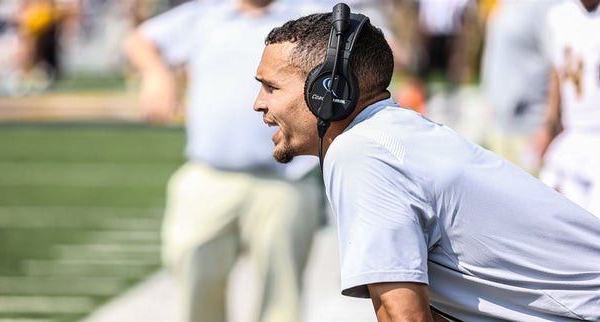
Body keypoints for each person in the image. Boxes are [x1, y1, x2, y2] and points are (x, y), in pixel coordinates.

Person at [252, 5, 600, 321]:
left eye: (271, 87)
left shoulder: (362, 152)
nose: (258, 103)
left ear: (328, 90)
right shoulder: (391, 133)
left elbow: (405, 316)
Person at [122, 1, 324, 321]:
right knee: (193, 281)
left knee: (282, 303)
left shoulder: (310, 13)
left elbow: (376, 52)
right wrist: (156, 74)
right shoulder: (205, 13)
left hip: (287, 178)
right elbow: (139, 41)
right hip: (210, 174)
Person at [533, 0, 600, 217]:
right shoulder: (560, 16)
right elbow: (557, 74)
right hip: (574, 132)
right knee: (555, 215)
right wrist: (549, 123)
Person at [480, 0, 560, 175]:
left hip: (531, 130)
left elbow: (558, 66)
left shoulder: (547, 6)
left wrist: (548, 127)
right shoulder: (506, 4)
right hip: (502, 126)